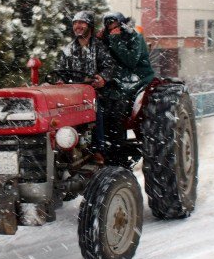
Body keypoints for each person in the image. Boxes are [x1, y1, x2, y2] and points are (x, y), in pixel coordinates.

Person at [56, 11, 115, 164]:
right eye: (75, 23)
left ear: (89, 26)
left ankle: (98, 150)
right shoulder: (67, 50)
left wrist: (102, 78)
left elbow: (109, 67)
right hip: (71, 94)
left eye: (82, 23)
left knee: (97, 110)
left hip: (95, 93)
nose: (78, 26)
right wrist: (60, 82)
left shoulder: (99, 47)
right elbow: (60, 72)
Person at [99, 12, 155, 164]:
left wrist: (115, 40)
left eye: (113, 22)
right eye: (108, 23)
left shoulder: (134, 37)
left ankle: (119, 152)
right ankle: (103, 149)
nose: (111, 26)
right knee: (100, 105)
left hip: (138, 78)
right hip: (117, 80)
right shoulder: (108, 38)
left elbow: (130, 60)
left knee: (118, 106)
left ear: (121, 24)